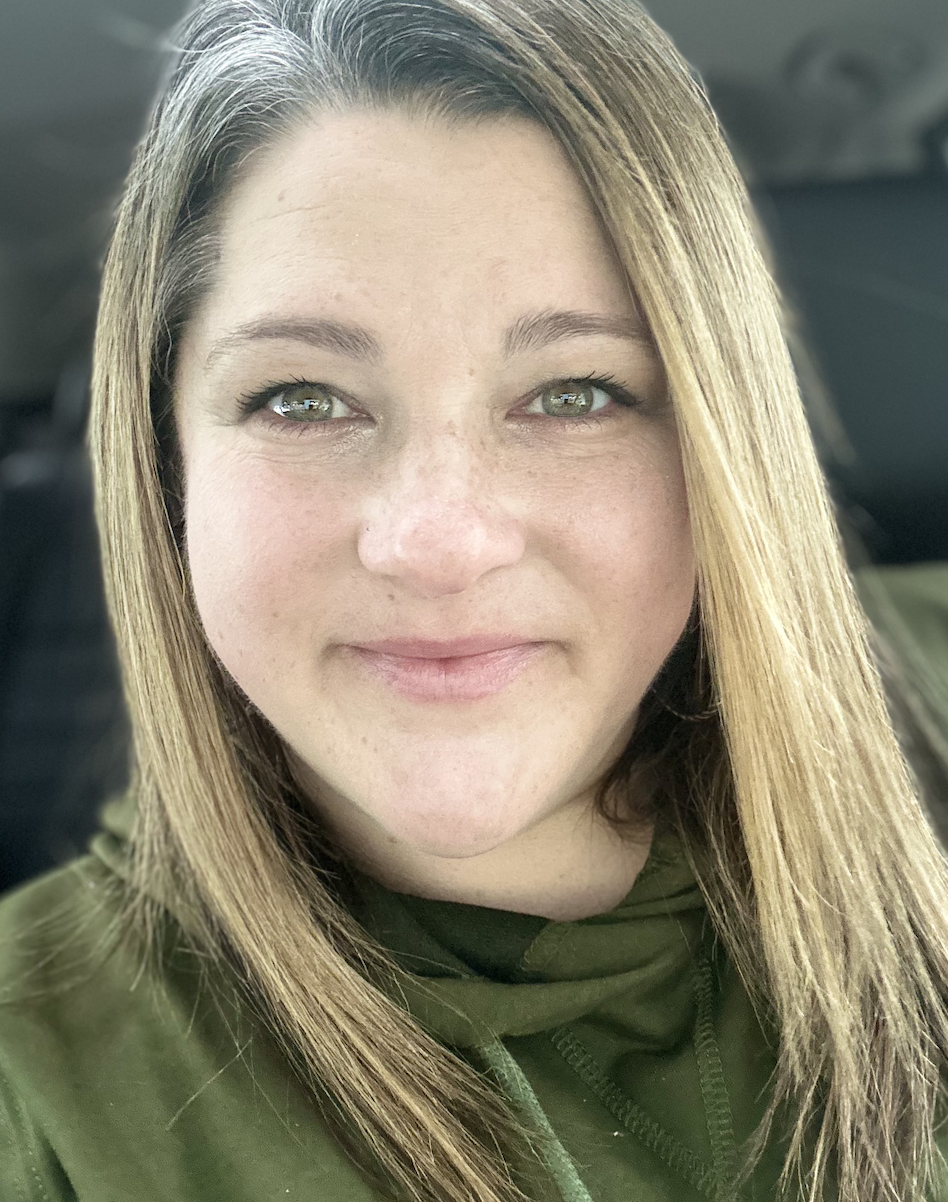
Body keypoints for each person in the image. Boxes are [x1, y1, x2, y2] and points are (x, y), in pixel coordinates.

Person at [1, 1, 947, 1199]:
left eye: (575, 394)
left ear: (726, 440)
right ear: (166, 466)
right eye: (302, 398)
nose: (438, 543)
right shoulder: (34, 1084)